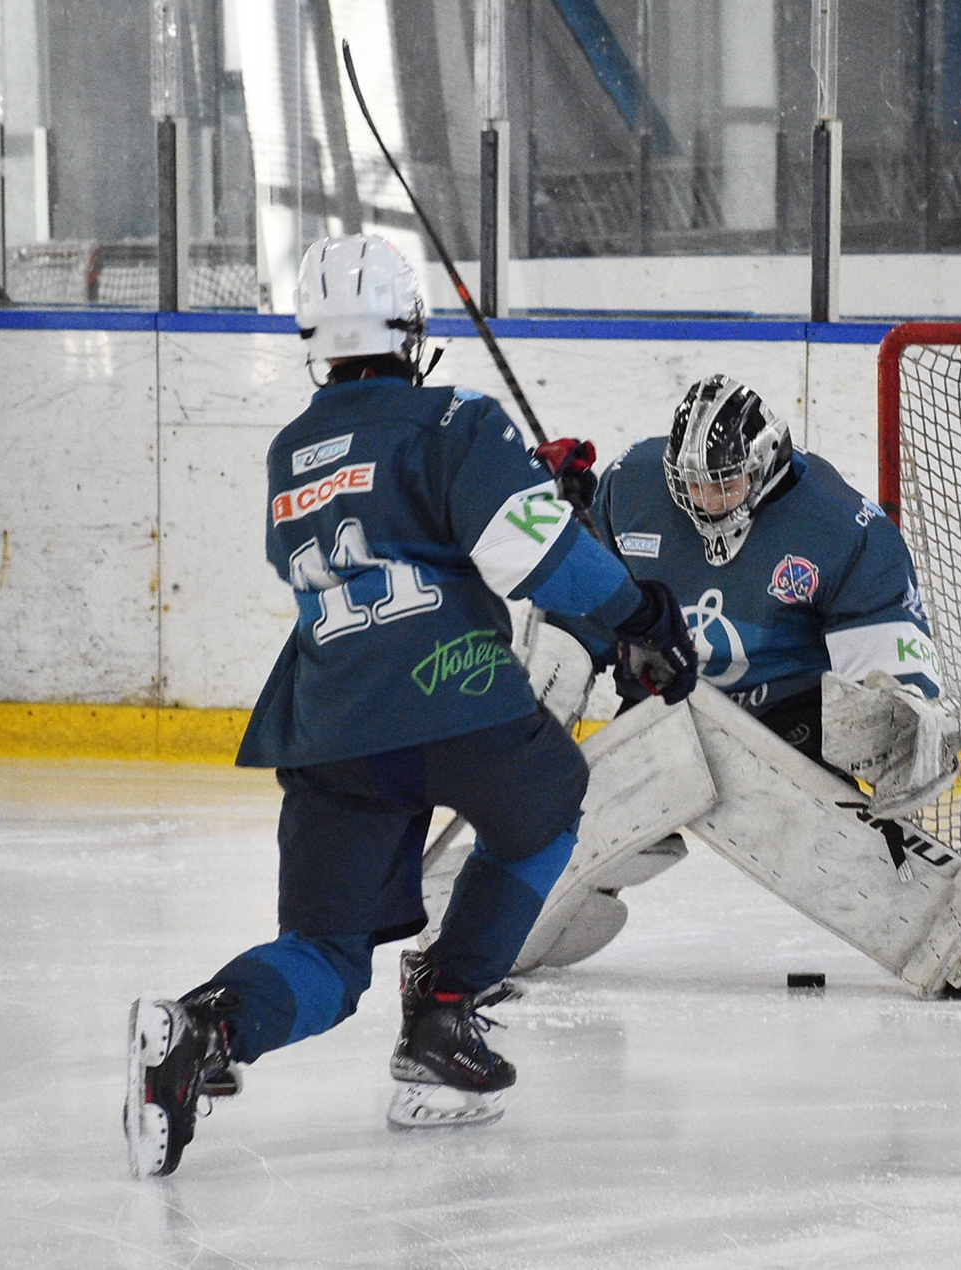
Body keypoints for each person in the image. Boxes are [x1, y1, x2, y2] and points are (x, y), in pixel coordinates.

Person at [123, 234, 697, 1179]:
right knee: (548, 806)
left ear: (318, 336)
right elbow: (529, 556)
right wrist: (637, 610)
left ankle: (199, 1032)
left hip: (332, 720)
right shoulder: (456, 419)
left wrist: (523, 486)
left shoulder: (289, 449)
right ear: (413, 327)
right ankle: (442, 1012)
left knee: (327, 951)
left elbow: (398, 525)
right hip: (454, 692)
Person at [548, 373, 961, 996]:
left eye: (723, 482)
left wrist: (903, 710)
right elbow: (582, 609)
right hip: (659, 706)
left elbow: (887, 662)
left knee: (802, 817)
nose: (706, 500)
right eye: (693, 484)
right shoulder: (632, 484)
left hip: (784, 711)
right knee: (564, 798)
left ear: (765, 466)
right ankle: (485, 940)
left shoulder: (841, 526)